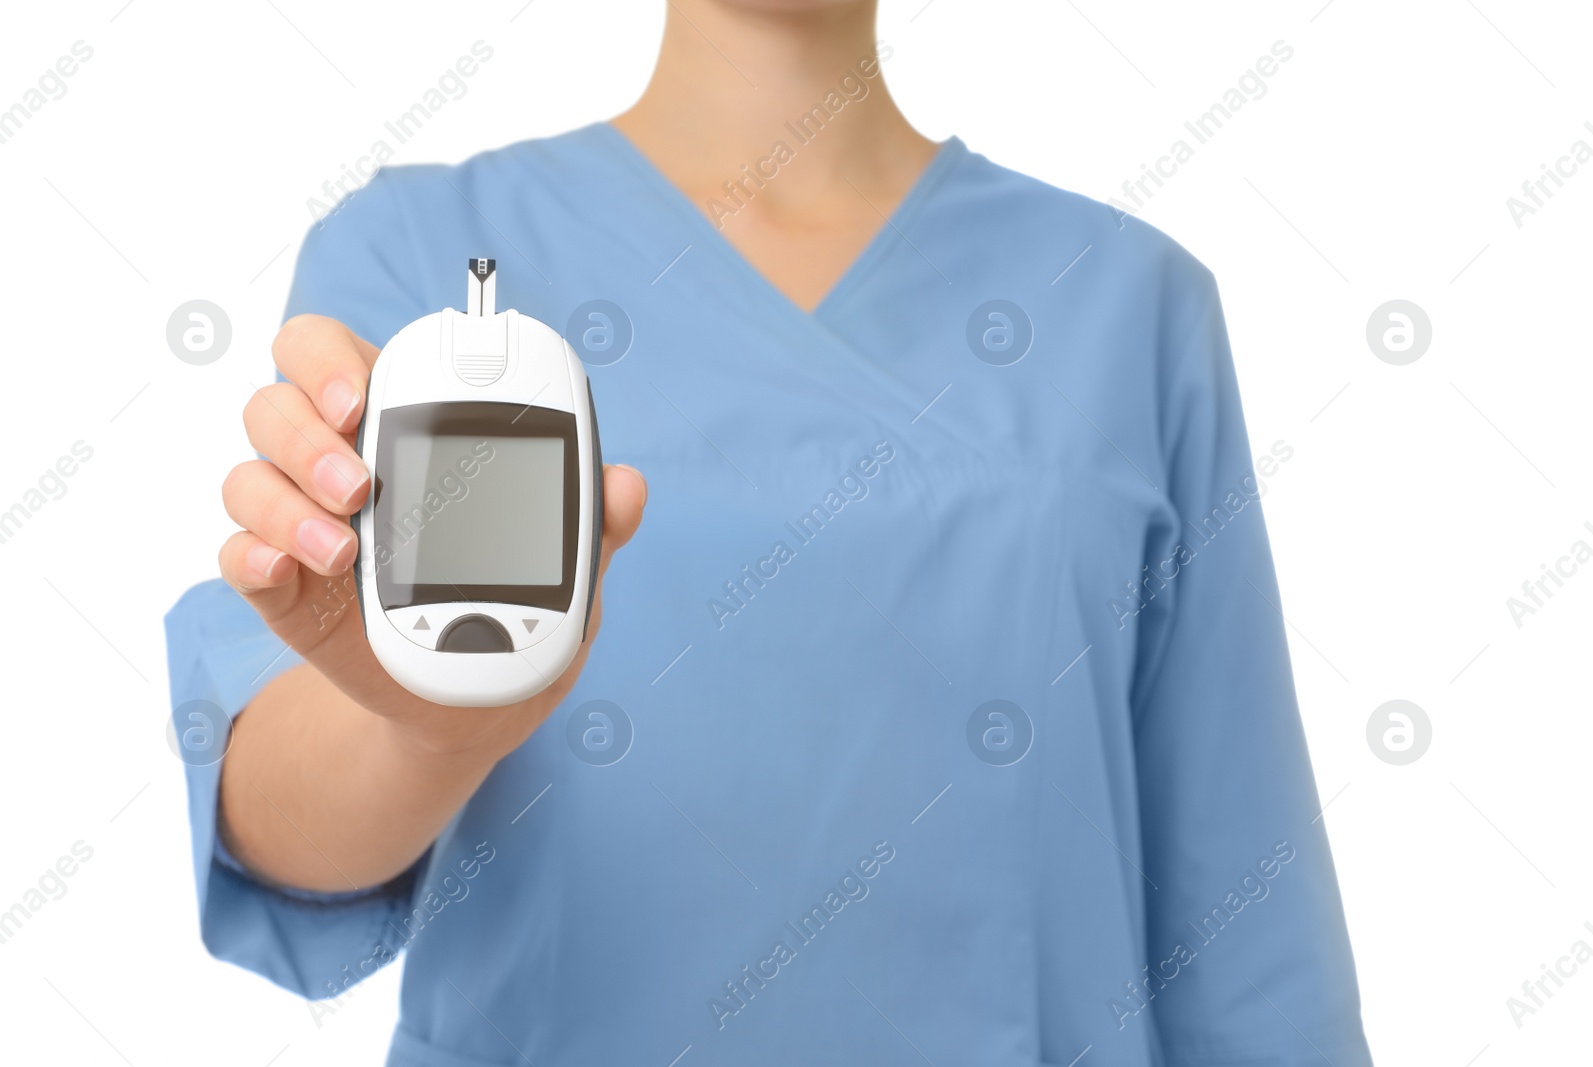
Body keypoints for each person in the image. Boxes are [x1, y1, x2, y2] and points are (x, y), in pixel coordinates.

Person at [166, 1, 1374, 1064]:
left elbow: (1244, 915)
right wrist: (425, 726)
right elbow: (274, 818)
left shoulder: (1127, 303)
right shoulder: (421, 254)